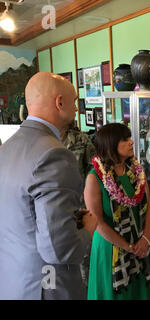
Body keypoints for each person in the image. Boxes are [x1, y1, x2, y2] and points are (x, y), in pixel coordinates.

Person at [0, 72, 97, 299]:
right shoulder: (54, 154)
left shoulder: (8, 146)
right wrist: (88, 230)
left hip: (14, 279)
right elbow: (59, 249)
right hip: (47, 285)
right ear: (59, 102)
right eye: (74, 102)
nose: (76, 109)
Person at [84, 123, 150, 300]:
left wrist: (145, 238)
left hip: (139, 243)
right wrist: (129, 247)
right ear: (111, 144)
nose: (131, 142)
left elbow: (147, 204)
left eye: (130, 138)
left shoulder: (136, 171)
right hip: (111, 250)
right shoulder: (95, 178)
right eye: (125, 139)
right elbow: (98, 223)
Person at [61, 122, 96, 290]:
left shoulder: (81, 140)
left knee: (85, 260)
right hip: (53, 213)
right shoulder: (41, 143)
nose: (75, 108)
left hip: (80, 211)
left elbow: (94, 171)